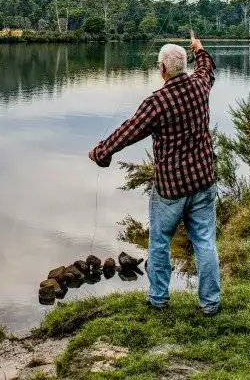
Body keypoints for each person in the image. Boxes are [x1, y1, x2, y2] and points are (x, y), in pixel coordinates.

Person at [89, 32, 220, 316]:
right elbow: (207, 68)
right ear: (183, 66)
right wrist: (200, 49)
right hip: (203, 181)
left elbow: (129, 130)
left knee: (160, 242)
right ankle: (210, 303)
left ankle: (158, 299)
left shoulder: (157, 102)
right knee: (205, 242)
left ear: (162, 70)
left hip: (171, 188)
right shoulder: (200, 86)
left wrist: (102, 152)